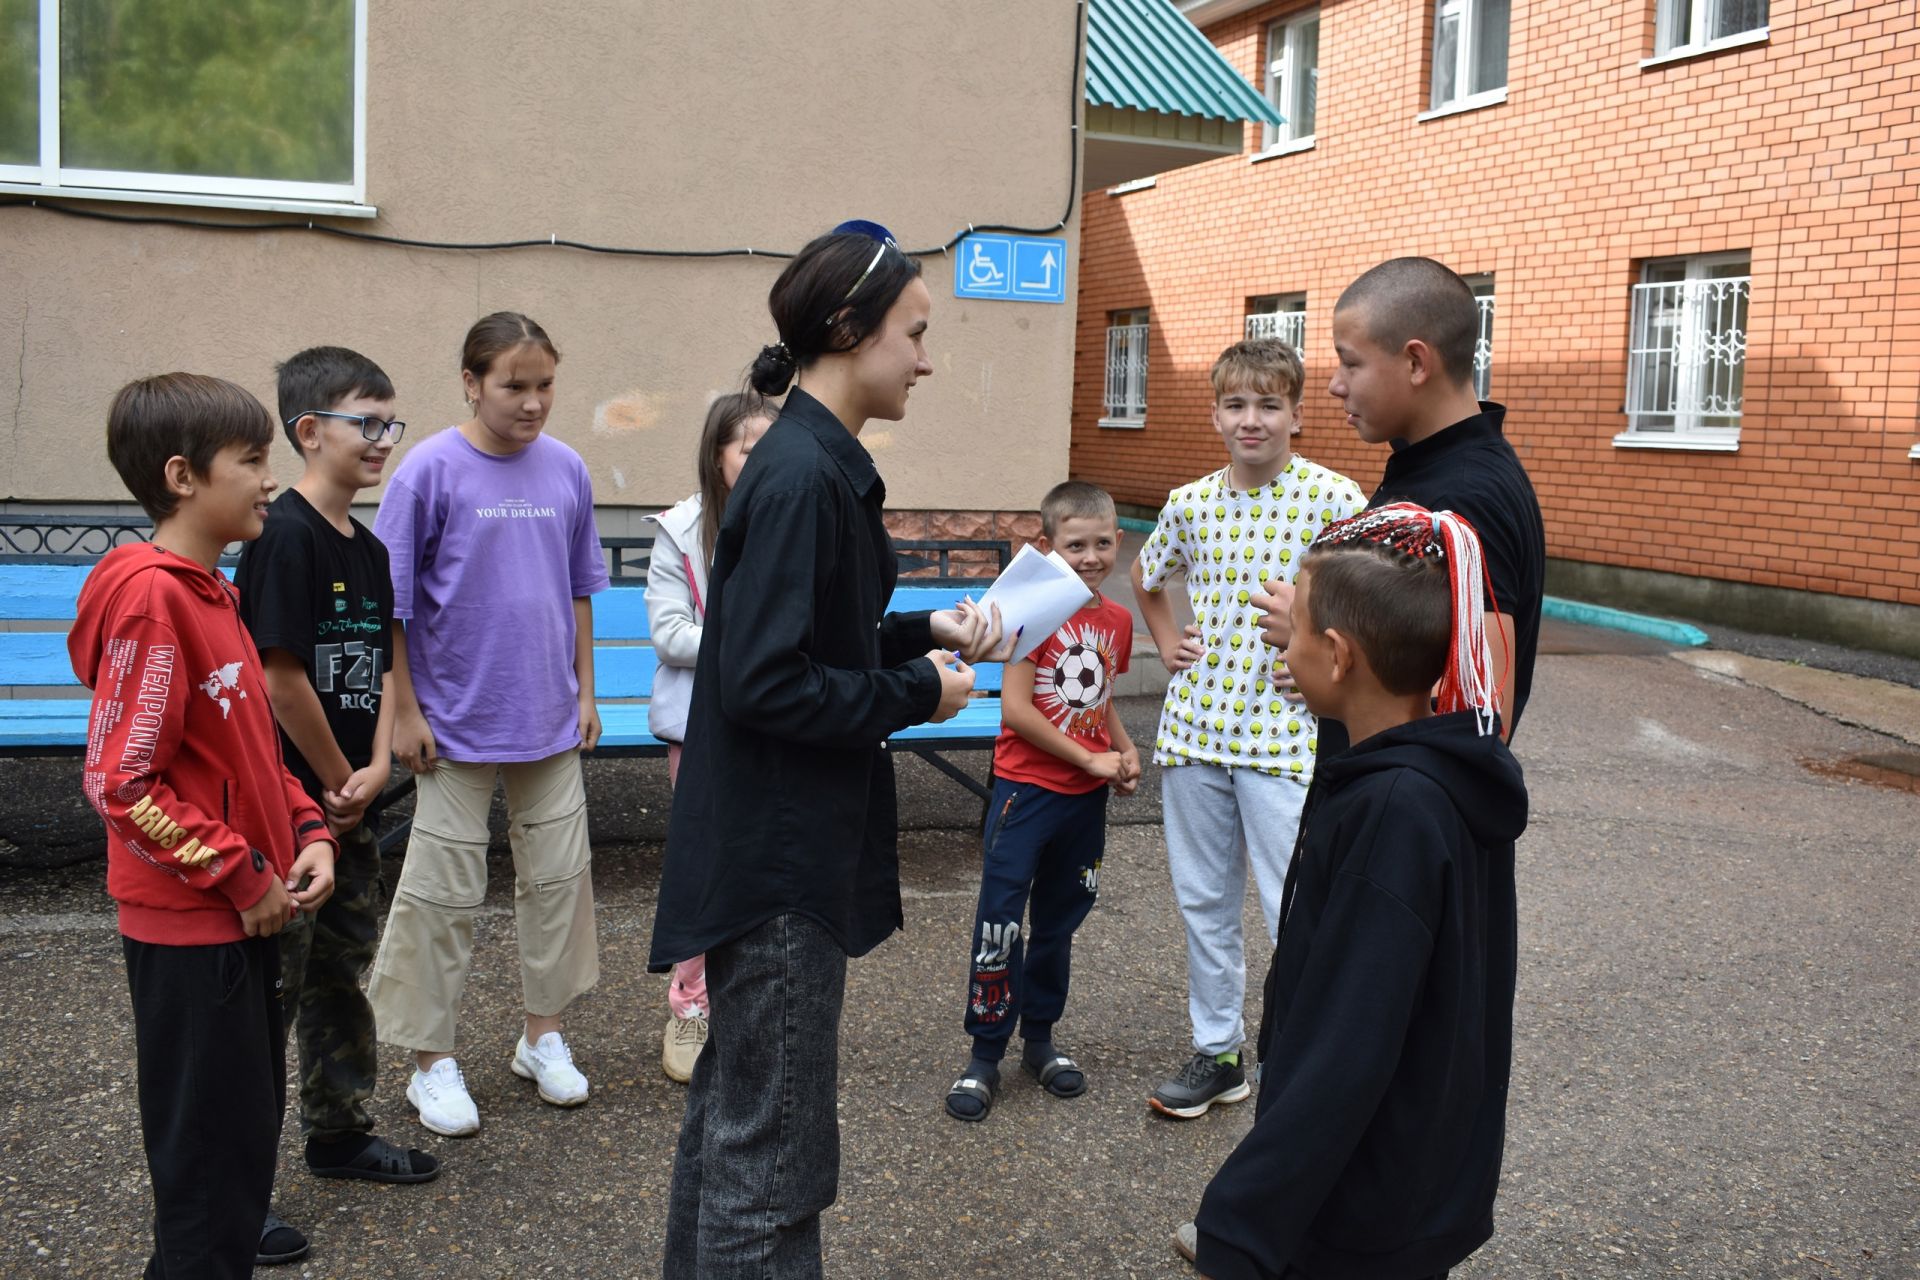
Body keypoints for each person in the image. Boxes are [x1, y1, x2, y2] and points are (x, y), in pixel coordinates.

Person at [648, 220, 1011, 1279]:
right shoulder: (804, 473)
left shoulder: (805, 460)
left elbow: (801, 640)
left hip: (768, 849)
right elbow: (763, 680)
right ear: (851, 329)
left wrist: (922, 633)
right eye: (915, 332)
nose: (927, 358)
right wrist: (913, 690)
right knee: (773, 1162)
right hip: (780, 866)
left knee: (735, 1123)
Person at [1179, 502, 1526, 1280]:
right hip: (1416, 1180)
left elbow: (1349, 1040)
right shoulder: (1437, 781)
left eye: (1295, 626)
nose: (1283, 640)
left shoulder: (1394, 810)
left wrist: (1238, 1225)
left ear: (1337, 655)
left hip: (1361, 1205)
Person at [69, 373, 338, 1277]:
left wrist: (308, 833)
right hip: (198, 931)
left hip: (242, 914)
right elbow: (120, 781)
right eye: (254, 460)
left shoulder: (211, 593)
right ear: (183, 477)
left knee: (238, 1156)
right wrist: (241, 874)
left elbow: (252, 755)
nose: (271, 479)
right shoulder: (154, 600)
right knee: (207, 1182)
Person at [365, 312, 609, 1137]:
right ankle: (428, 1061)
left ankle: (543, 1036)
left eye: (544, 385)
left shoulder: (567, 469)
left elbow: (579, 588)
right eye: (514, 385)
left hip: (546, 717)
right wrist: (403, 708)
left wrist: (585, 690)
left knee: (558, 885)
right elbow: (389, 607)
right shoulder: (427, 472)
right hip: (452, 724)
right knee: (439, 895)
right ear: (471, 382)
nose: (533, 402)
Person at [232, 348, 440, 1262]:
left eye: (392, 423)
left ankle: (338, 1129)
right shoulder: (283, 536)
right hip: (286, 809)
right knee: (265, 1000)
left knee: (339, 973)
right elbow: (280, 679)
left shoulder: (366, 543)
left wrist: (371, 767)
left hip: (347, 800)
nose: (384, 441)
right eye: (368, 422)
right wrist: (331, 780)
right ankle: (235, 1192)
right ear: (309, 429)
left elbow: (382, 658)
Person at [1131, 339, 1365, 1119]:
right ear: (1216, 414)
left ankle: (1305, 1056)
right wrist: (1166, 642)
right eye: (1236, 404)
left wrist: (1316, 638)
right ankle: (1219, 1051)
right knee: (1204, 900)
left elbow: (1369, 605)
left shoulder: (1336, 500)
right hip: (1196, 730)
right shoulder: (1189, 502)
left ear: (1298, 413)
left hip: (1285, 734)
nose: (1252, 419)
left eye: (1269, 404)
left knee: (1291, 901)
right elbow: (1147, 575)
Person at [1257, 257, 1546, 749]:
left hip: (1399, 814)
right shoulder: (1431, 467)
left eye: (1351, 362)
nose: (1335, 384)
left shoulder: (1464, 494)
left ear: (1415, 362)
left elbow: (1482, 717)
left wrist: (1313, 629)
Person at [944, 481, 1140, 1122]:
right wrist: (1087, 757)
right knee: (1001, 921)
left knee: (1059, 922)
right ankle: (984, 1054)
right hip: (1026, 795)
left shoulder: (1114, 620)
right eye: (1075, 544)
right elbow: (1018, 710)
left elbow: (1097, 699)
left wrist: (1122, 746)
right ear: (1048, 545)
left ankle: (1042, 1040)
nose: (1090, 556)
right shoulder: (1033, 612)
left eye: (1103, 543)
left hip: (1084, 804)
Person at [643, 390, 775, 1083]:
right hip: (702, 725)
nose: (758, 461)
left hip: (777, 721)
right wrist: (754, 646)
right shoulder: (682, 530)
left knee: (763, 864)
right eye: (745, 447)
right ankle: (690, 1003)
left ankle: (749, 1002)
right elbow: (668, 634)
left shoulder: (790, 518)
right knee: (705, 862)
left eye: (768, 447)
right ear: (716, 455)